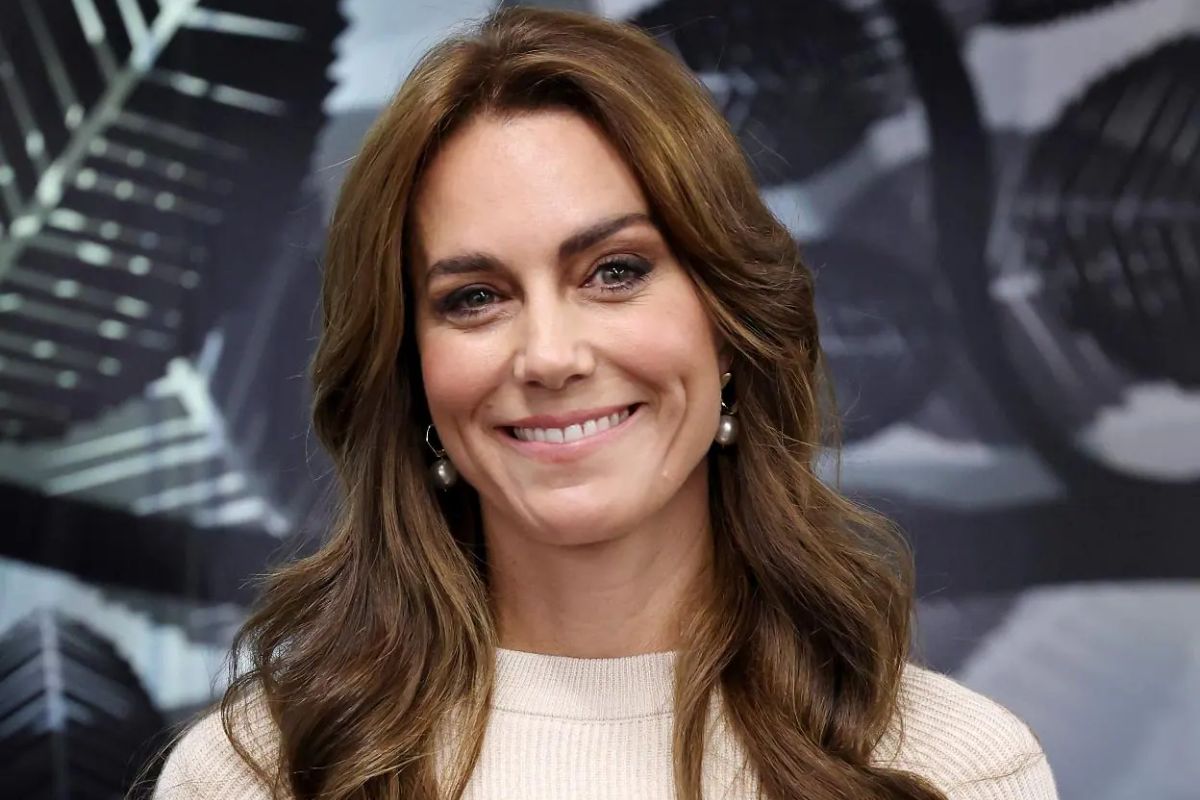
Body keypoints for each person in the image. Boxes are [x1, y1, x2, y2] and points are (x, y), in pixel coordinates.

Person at [148, 7, 1057, 800]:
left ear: (727, 325)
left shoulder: (948, 771)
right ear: (411, 371)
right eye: (474, 297)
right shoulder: (261, 777)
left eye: (614, 272)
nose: (550, 356)